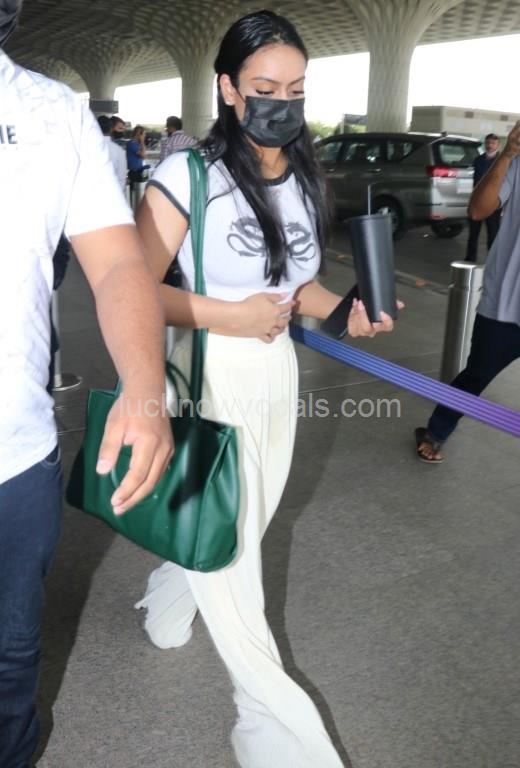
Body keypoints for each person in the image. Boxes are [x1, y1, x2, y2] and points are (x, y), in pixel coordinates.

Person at [134, 11, 399, 767]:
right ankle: (277, 737)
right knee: (234, 560)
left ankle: (168, 595)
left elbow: (297, 286)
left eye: (296, 89)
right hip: (208, 374)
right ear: (227, 87)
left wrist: (347, 313)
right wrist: (232, 315)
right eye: (264, 87)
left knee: (236, 530)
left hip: (275, 375)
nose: (282, 103)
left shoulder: (305, 177)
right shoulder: (187, 176)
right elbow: (133, 291)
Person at [0, 4, 174, 766]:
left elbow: (118, 262)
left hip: (13, 458)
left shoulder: (53, 112)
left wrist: (144, 386)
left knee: (10, 658)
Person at [415, 120, 520, 463]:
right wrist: (508, 153)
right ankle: (436, 431)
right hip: (506, 305)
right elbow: (478, 210)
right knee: (475, 375)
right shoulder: (516, 162)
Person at [465, 132, 501, 263]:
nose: (490, 145)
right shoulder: (478, 160)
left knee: (493, 234)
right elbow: (475, 181)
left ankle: (491, 262)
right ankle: (470, 260)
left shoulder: (501, 161)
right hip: (477, 201)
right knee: (473, 234)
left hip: (493, 203)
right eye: (488, 143)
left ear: (498, 145)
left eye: (493, 143)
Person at [97, 114, 127, 191]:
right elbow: (121, 179)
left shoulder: (84, 148)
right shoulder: (119, 150)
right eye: (120, 128)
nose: (121, 131)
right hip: (112, 193)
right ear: (111, 129)